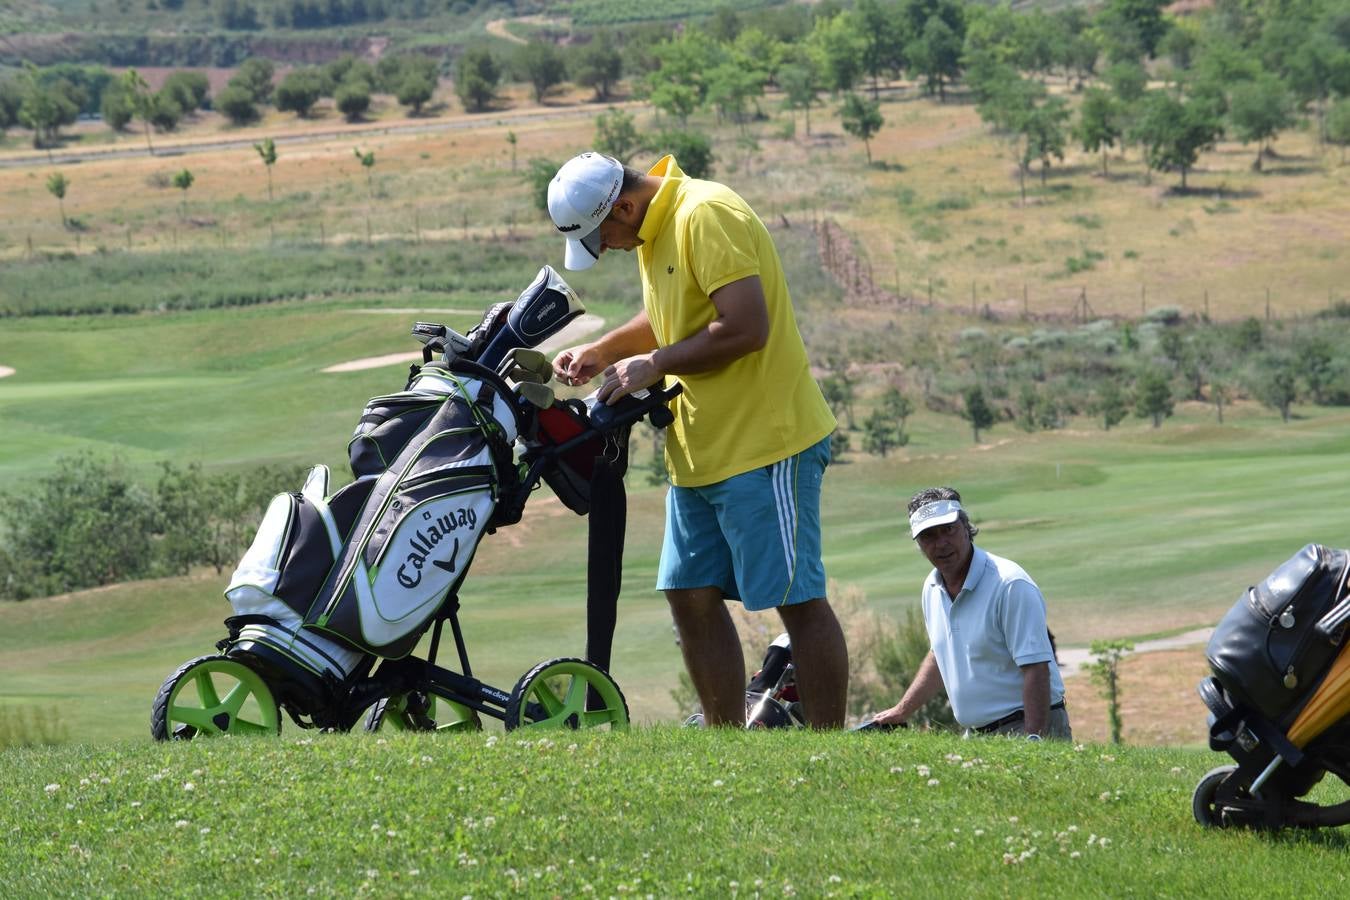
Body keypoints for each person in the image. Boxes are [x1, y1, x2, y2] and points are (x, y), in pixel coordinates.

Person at [545, 151, 849, 728]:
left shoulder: (706, 213)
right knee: (688, 592)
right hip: (701, 448)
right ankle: (725, 739)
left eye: (602, 237)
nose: (606, 249)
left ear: (626, 206)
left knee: (797, 600)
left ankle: (829, 749)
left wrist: (654, 364)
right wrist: (605, 351)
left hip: (766, 444)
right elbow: (674, 313)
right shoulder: (654, 229)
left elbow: (745, 327)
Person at [872, 487, 1071, 740]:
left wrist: (1034, 741)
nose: (941, 543)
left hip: (1029, 727)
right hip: (977, 736)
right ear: (919, 544)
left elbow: (1036, 668)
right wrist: (902, 710)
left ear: (966, 527)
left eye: (948, 529)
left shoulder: (1009, 584)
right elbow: (940, 654)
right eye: (928, 536)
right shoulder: (932, 588)